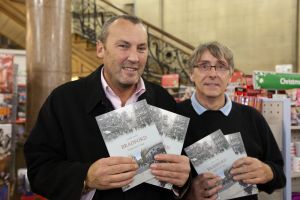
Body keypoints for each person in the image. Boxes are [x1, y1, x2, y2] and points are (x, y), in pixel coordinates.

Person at [24, 15, 190, 200]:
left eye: (141, 48)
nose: (134, 57)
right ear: (100, 49)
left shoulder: (163, 100)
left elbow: (179, 171)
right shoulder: (64, 100)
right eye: (123, 46)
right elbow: (39, 170)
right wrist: (85, 177)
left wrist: (182, 181)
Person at [177, 41, 286, 200]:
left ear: (230, 74)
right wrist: (188, 194)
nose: (213, 74)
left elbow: (279, 176)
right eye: (204, 66)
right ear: (191, 74)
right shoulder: (174, 117)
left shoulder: (252, 118)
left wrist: (267, 172)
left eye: (221, 67)